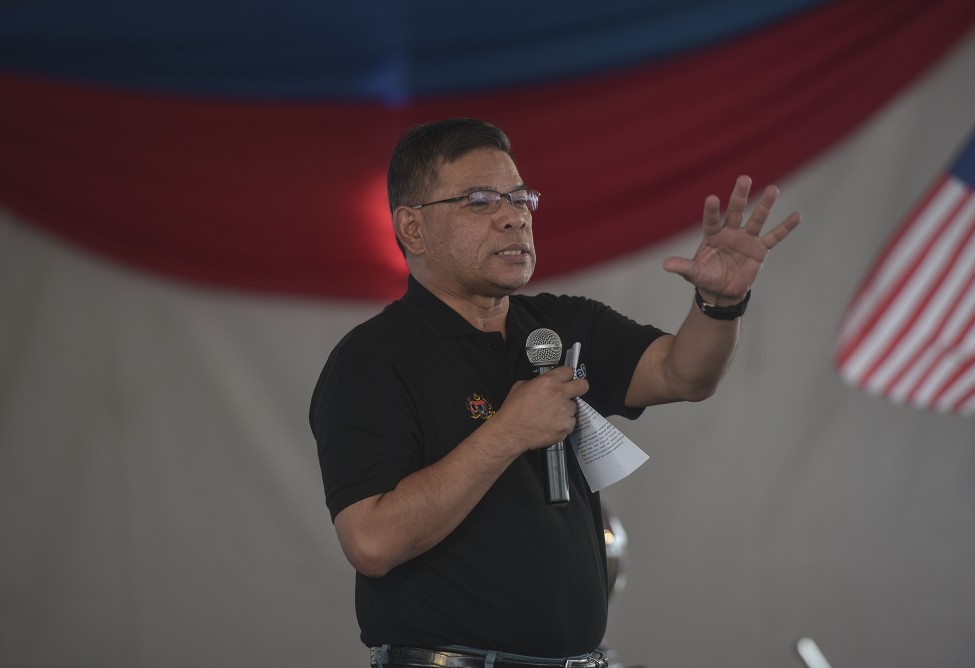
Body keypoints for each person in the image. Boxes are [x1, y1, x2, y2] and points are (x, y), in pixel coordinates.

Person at [309, 117, 800, 668]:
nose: (513, 217)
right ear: (412, 229)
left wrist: (719, 305)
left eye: (521, 198)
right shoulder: (373, 358)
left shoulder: (562, 325)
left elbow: (683, 374)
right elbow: (372, 542)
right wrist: (509, 432)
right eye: (479, 200)